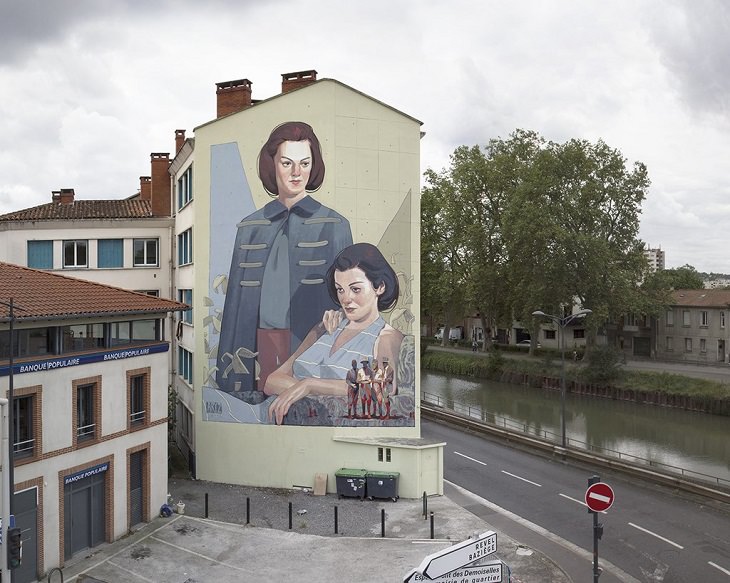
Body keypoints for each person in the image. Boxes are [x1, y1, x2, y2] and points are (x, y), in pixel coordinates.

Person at [215, 121, 353, 399]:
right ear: (273, 165)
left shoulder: (335, 224)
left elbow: (348, 295)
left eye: (304, 163)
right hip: (257, 340)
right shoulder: (249, 227)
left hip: (310, 341)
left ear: (314, 166)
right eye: (287, 163)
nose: (296, 173)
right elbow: (234, 304)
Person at [264, 243, 403, 425]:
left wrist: (310, 385)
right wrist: (306, 390)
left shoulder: (386, 337)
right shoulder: (323, 328)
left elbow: (381, 388)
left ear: (380, 287)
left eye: (355, 289)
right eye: (340, 289)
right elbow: (271, 381)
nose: (346, 299)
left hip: (320, 431)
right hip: (273, 417)